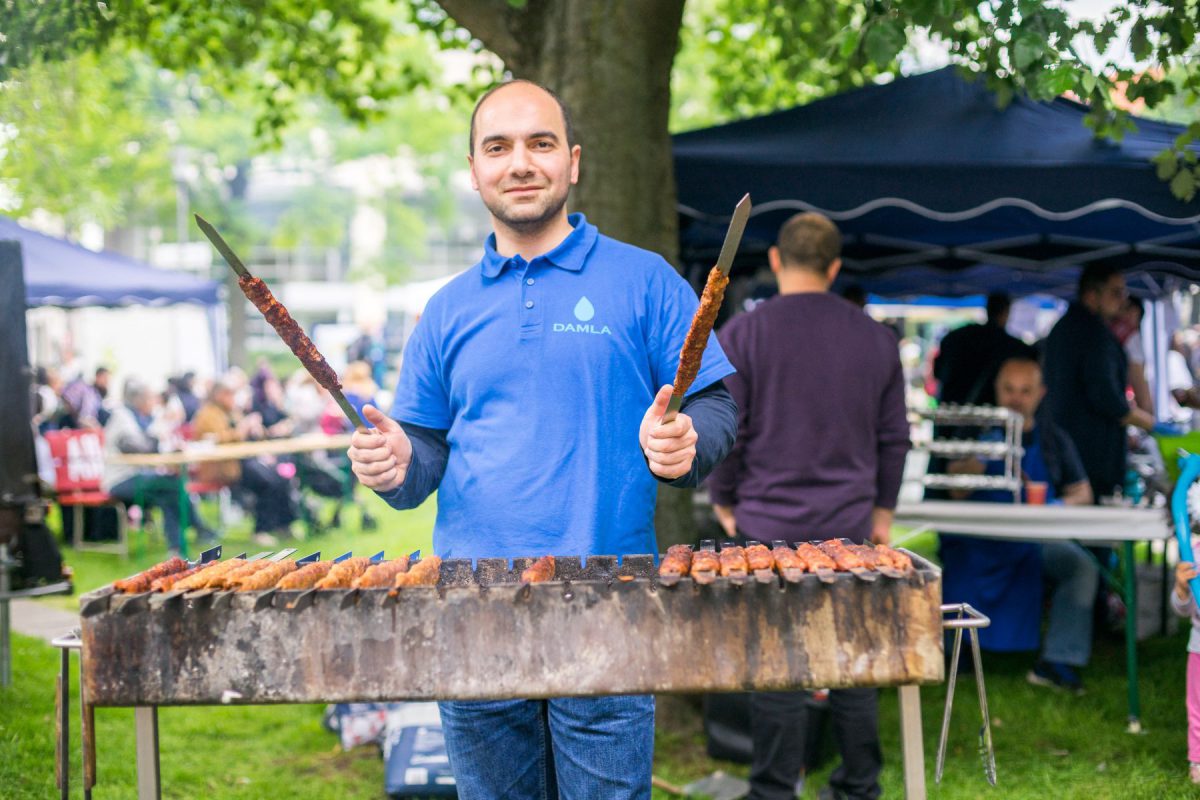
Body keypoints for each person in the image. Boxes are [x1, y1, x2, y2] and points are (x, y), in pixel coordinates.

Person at [345, 79, 737, 799]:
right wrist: (398, 464)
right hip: (470, 610)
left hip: (610, 603)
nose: (520, 162)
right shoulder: (445, 310)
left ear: (573, 161)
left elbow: (715, 405)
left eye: (540, 143)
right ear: (474, 170)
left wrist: (686, 441)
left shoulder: (645, 280)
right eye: (498, 147)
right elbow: (424, 451)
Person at [707, 211, 910, 800]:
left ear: (775, 260)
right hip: (849, 525)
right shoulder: (876, 338)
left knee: (777, 663)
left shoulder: (743, 334)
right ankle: (858, 786)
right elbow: (894, 436)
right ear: (835, 266)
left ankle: (773, 789)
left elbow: (726, 430)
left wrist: (724, 500)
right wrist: (882, 514)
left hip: (765, 523)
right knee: (852, 659)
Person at [942, 356, 1098, 693]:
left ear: (1040, 394)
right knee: (959, 560)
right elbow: (955, 489)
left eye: (1025, 391)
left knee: (1081, 567)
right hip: (979, 537)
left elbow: (1083, 493)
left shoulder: (1054, 439)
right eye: (1009, 389)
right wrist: (977, 463)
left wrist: (1055, 505)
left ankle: (1058, 660)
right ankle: (959, 649)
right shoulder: (976, 430)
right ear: (997, 390)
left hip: (1033, 540)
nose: (1015, 398)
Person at [1043, 264, 1156, 502]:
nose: (1123, 301)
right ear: (1092, 294)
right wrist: (1147, 421)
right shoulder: (1093, 334)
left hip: (1066, 447)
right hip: (1090, 454)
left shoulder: (1064, 327)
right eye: (1115, 293)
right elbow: (1106, 396)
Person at [102, 378, 215, 553]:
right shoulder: (122, 417)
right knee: (171, 485)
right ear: (139, 400)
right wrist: (161, 429)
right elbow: (137, 448)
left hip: (138, 476)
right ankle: (197, 529)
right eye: (150, 398)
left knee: (168, 490)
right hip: (120, 480)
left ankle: (177, 546)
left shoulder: (140, 417)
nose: (153, 403)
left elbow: (150, 445)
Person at [193, 378, 298, 543]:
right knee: (266, 482)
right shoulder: (207, 415)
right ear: (220, 395)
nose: (233, 398)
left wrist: (255, 429)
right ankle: (261, 530)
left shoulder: (231, 411)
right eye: (230, 395)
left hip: (241, 462)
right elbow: (217, 440)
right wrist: (242, 430)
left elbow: (250, 436)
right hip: (224, 467)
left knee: (279, 478)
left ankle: (283, 525)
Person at [933, 292, 1035, 406]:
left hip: (950, 411)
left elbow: (937, 373)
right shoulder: (1013, 347)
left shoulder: (956, 338)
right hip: (990, 416)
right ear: (1006, 312)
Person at [1172, 556, 1200, 784]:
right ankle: (1198, 761)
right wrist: (1182, 588)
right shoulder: (1194, 554)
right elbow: (1184, 608)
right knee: (1198, 708)